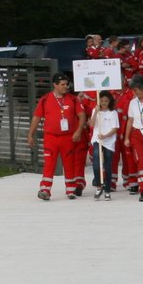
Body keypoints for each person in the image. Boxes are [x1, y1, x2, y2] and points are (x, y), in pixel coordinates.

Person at [27, 72, 81, 201]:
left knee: (69, 163)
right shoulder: (45, 99)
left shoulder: (73, 99)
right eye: (62, 84)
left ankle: (70, 190)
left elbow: (82, 115)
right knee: (49, 164)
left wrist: (78, 131)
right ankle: (45, 189)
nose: (65, 87)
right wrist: (30, 134)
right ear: (55, 85)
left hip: (67, 137)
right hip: (51, 137)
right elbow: (37, 117)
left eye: (66, 84)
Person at [90, 90, 120, 199]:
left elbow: (115, 128)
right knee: (96, 164)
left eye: (106, 101)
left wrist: (106, 136)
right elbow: (92, 124)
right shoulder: (95, 110)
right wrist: (96, 113)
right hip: (97, 140)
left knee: (107, 166)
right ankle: (99, 187)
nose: (103, 103)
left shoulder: (113, 113)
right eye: (101, 101)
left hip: (109, 141)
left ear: (109, 102)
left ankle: (107, 189)